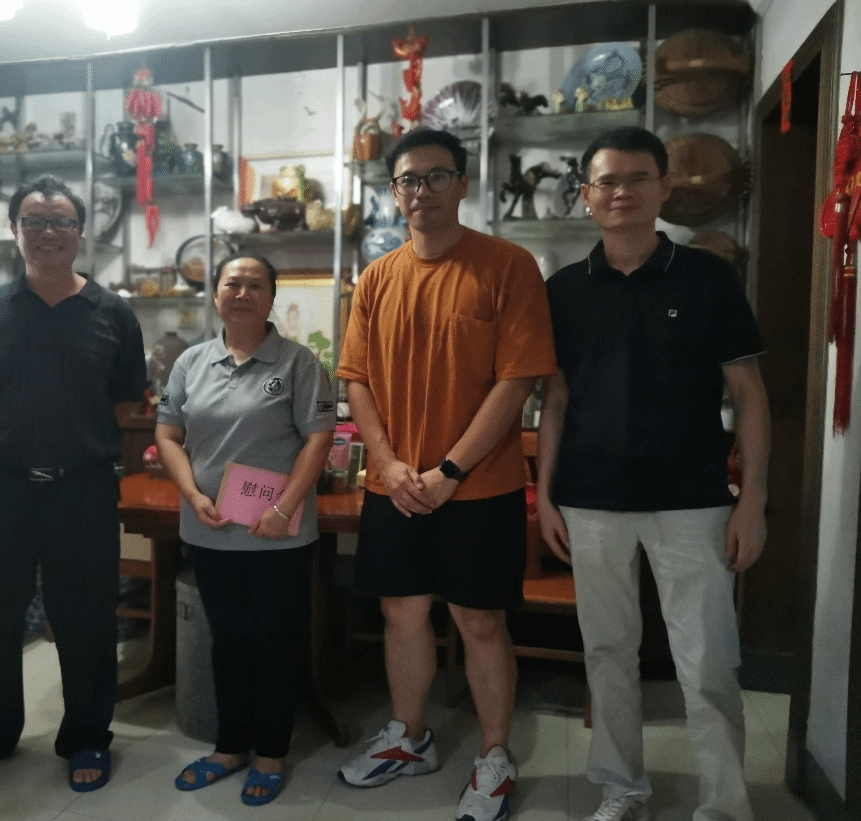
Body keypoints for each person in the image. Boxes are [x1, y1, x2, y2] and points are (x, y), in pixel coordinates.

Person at [536, 126, 770, 821]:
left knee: (708, 661)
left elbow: (750, 394)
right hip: (590, 498)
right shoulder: (564, 290)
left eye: (638, 178)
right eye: (607, 180)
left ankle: (723, 804)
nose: (622, 192)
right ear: (586, 194)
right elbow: (555, 399)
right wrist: (545, 496)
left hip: (692, 499)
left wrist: (752, 500)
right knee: (607, 651)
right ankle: (621, 787)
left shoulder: (707, 278)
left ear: (665, 188)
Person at [335, 128, 556, 821]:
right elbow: (357, 380)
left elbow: (518, 379)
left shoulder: (507, 265)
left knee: (479, 620)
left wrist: (451, 469)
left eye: (437, 176)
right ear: (393, 191)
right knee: (400, 611)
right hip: (395, 485)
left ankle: (495, 755)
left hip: (479, 485)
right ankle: (409, 737)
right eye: (409, 179)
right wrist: (388, 463)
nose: (422, 190)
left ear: (462, 184)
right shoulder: (376, 277)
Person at [0, 174, 146, 792]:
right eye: (33, 221)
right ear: (14, 231)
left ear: (80, 232)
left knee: (86, 619)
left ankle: (87, 737)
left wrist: (69, 442)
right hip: (1, 488)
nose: (48, 232)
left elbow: (124, 403)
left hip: (82, 489)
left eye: (60, 221)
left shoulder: (114, 313)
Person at [156, 255, 335, 806]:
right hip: (209, 528)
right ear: (215, 294)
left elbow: (319, 439)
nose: (242, 292)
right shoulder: (191, 361)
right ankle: (230, 746)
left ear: (271, 298)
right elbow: (168, 434)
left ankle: (272, 752)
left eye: (256, 285)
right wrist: (192, 494)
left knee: (277, 641)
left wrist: (283, 508)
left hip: (277, 533)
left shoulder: (299, 363)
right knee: (228, 640)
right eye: (232, 283)